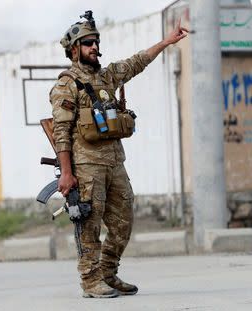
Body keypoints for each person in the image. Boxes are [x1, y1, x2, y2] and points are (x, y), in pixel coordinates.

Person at [50, 11, 188, 298]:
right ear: (74, 49)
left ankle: (109, 273)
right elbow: (61, 130)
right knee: (89, 225)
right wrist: (66, 172)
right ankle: (90, 281)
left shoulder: (106, 77)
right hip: (86, 166)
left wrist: (167, 42)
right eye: (88, 43)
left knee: (124, 220)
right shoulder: (67, 83)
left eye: (96, 42)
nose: (95, 48)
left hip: (115, 163)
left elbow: (136, 62)